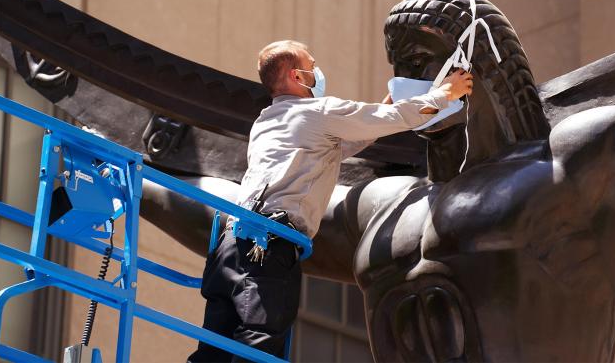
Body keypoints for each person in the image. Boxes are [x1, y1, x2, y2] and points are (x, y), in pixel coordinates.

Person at [187, 39, 473, 361]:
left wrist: (383, 110)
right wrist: (446, 93)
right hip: (269, 245)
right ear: (298, 77)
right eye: (312, 66)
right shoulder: (317, 112)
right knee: (260, 341)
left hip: (230, 245)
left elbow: (333, 148)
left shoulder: (267, 121)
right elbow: (394, 118)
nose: (318, 73)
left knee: (214, 346)